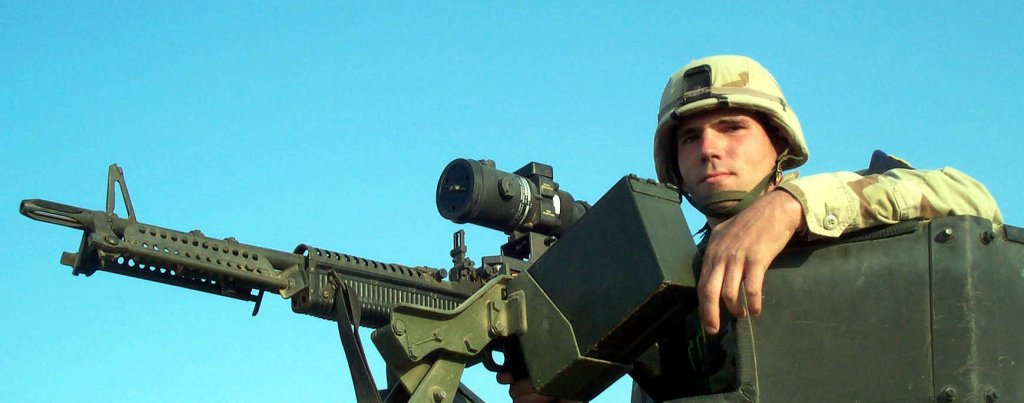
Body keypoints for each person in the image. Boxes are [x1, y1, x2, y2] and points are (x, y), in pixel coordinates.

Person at [500, 54, 1003, 401]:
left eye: (732, 128)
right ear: (675, 165)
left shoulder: (845, 212)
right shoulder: (668, 293)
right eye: (690, 138)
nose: (709, 149)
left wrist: (789, 207)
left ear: (779, 142)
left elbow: (972, 200)